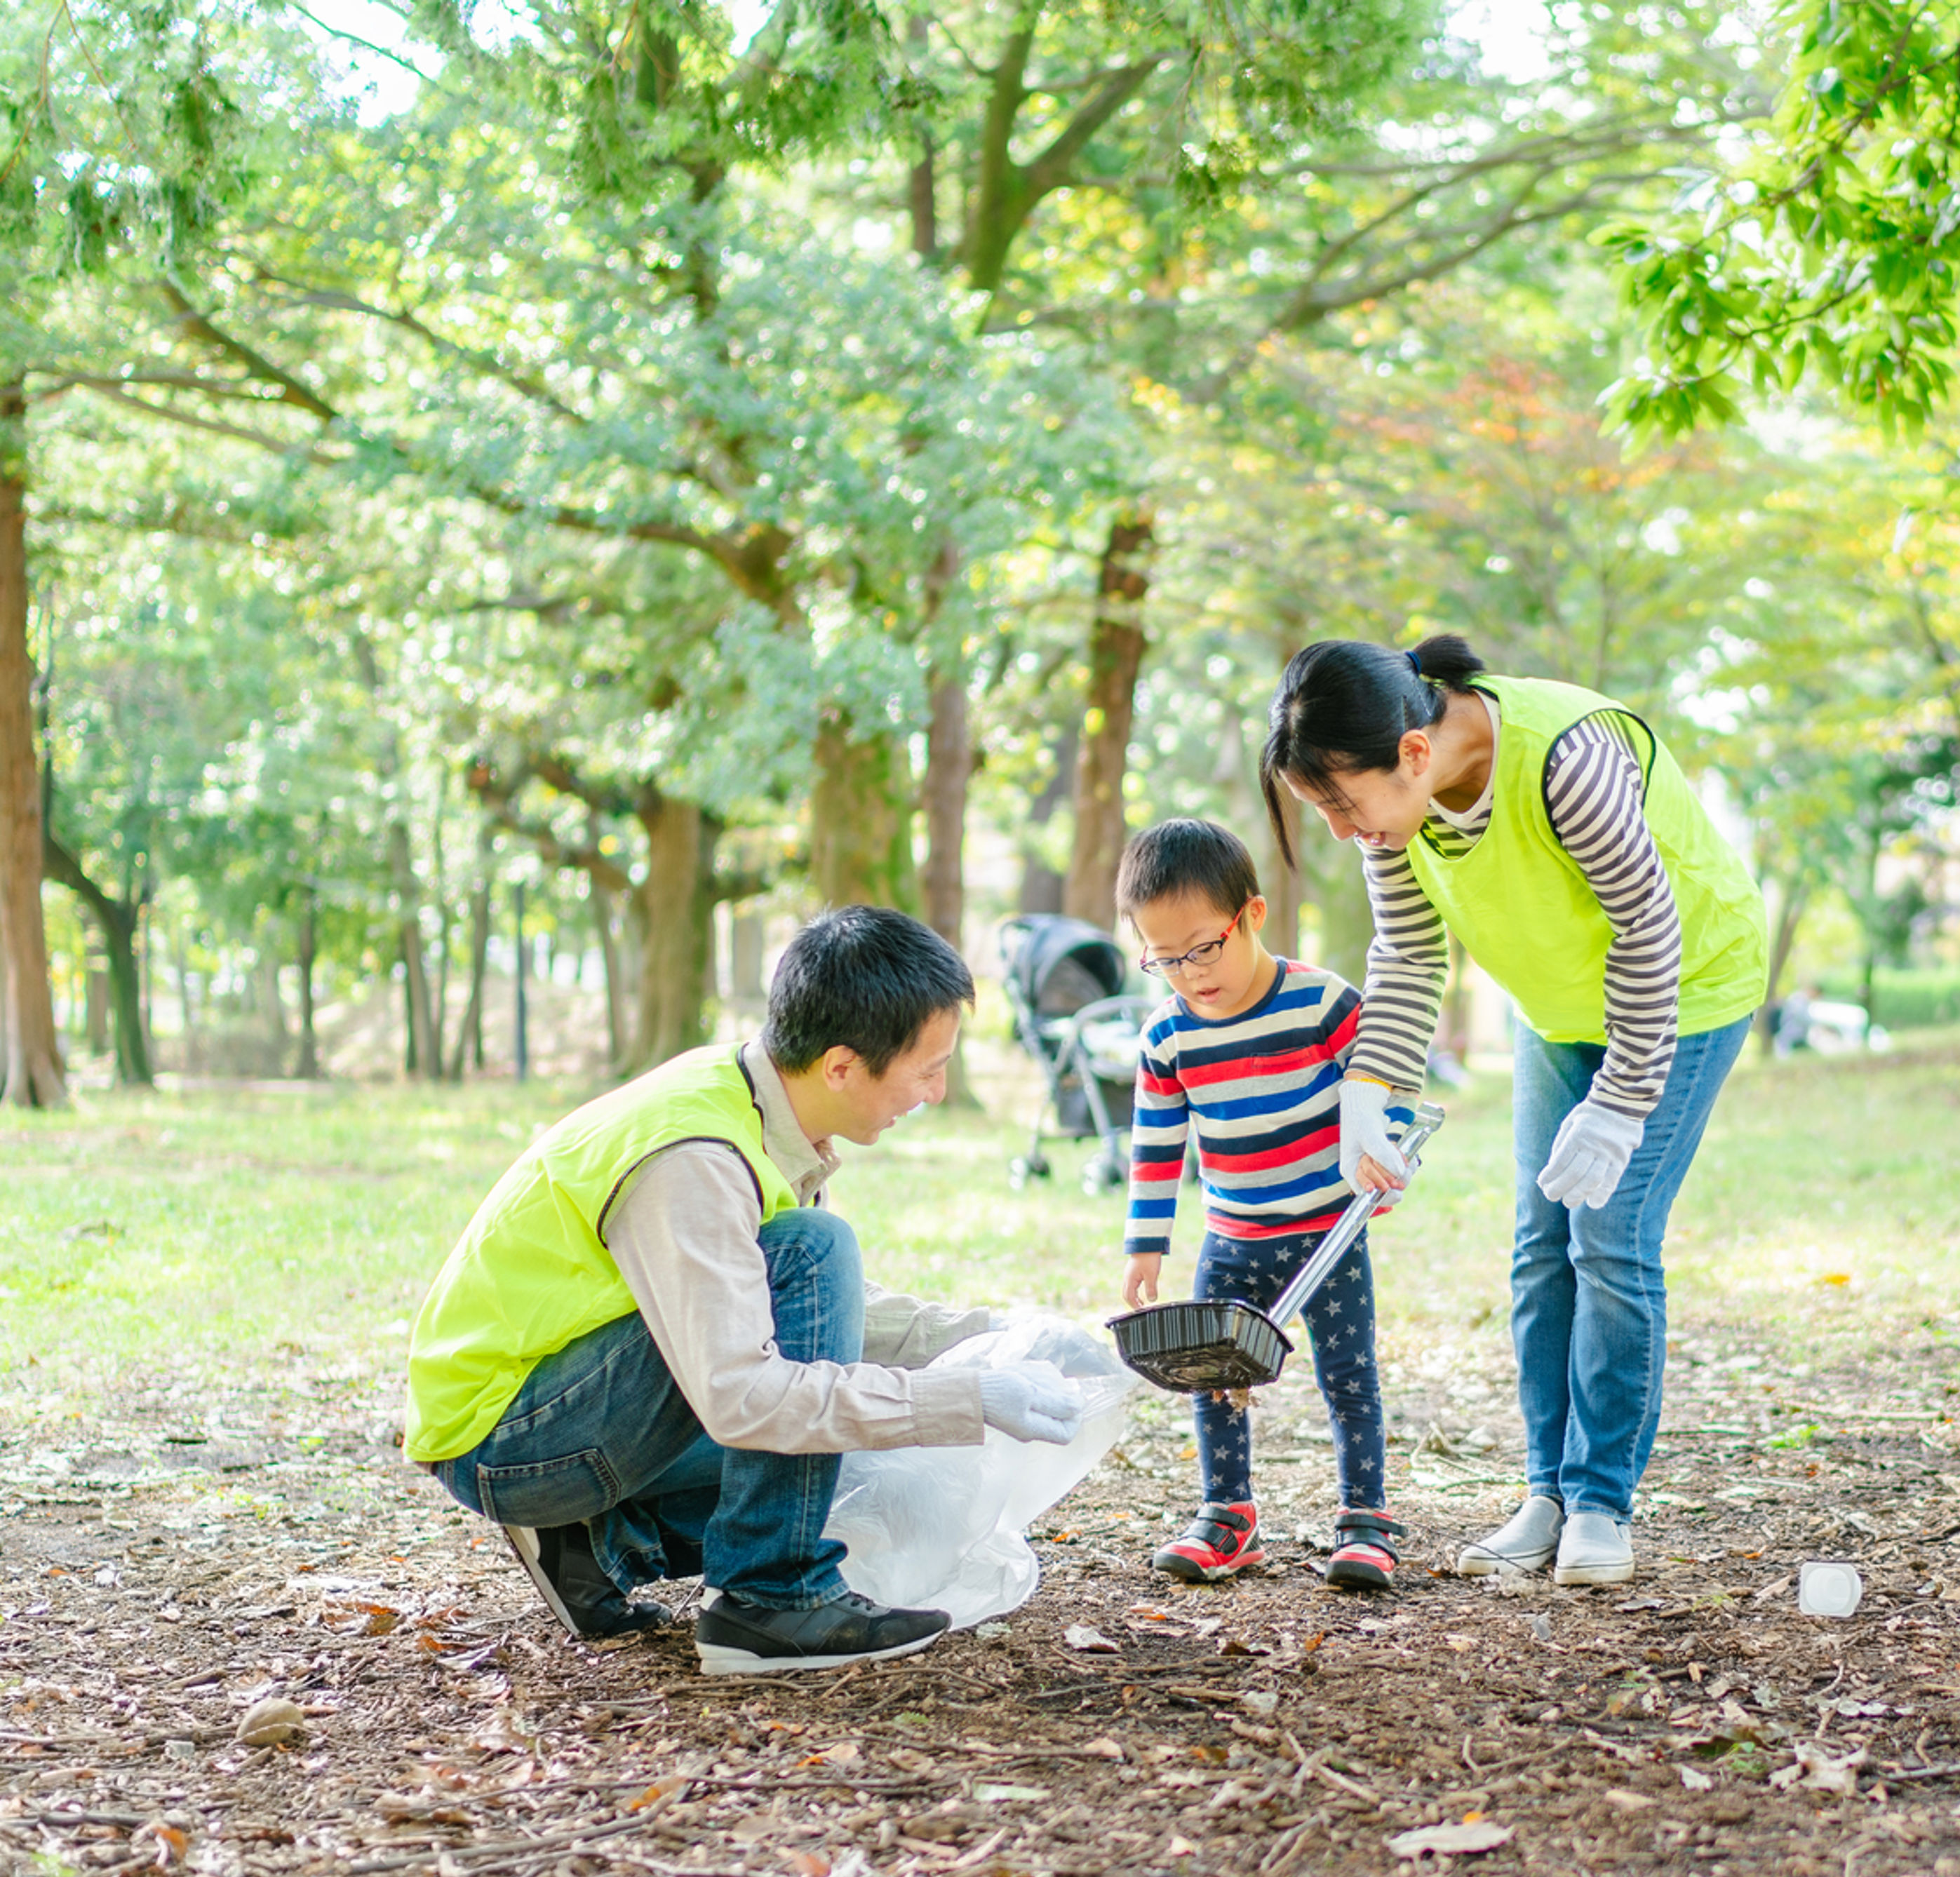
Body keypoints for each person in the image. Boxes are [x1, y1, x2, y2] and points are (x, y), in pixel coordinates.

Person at [404, 906, 1089, 1677]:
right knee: (817, 1295)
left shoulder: (755, 1102)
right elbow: (744, 1395)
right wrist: (963, 1399)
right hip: (511, 1438)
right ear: (841, 1065)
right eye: (928, 1067)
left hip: (559, 1407)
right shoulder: (694, 1155)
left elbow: (817, 1316)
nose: (936, 1089)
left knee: (854, 1459)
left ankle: (595, 1546)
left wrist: (992, 1333)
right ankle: (769, 1599)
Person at [1259, 634, 1765, 1589]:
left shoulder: (1565, 762)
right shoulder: (1398, 820)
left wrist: (1621, 1102)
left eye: (1339, 801)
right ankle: (1547, 1491)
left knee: (1609, 1237)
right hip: (1561, 1004)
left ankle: (1601, 1500)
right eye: (1317, 808)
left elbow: (1649, 926)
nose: (1337, 827)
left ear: (1413, 752)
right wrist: (1370, 1094)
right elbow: (1407, 958)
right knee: (1540, 1244)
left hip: (1686, 987)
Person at [1116, 819, 1407, 1590]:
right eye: (1164, 957)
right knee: (1215, 1377)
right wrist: (1144, 1245)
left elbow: (1385, 1093)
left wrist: (1388, 1147)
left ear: (1251, 913)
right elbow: (1156, 1148)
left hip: (1326, 1236)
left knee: (1348, 1374)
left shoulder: (1323, 1004)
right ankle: (1228, 1514)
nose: (1187, 973)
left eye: (1202, 947)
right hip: (1231, 1237)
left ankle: (1365, 1519)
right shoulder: (1167, 1037)